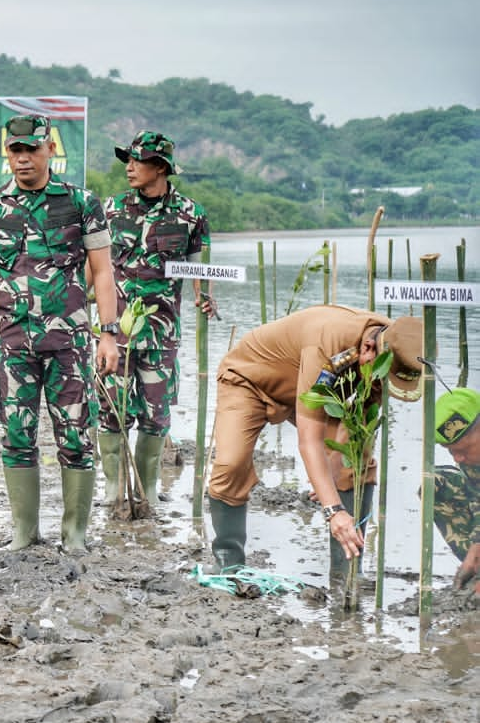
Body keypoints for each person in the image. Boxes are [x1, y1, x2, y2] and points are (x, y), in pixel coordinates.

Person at [0, 113, 119, 555]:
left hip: (70, 342)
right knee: (16, 433)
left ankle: (75, 535)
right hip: (12, 342)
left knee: (76, 433)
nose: (23, 159)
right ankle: (25, 533)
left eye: (31, 149)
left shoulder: (81, 203)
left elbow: (103, 272)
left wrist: (110, 333)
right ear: (7, 152)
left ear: (49, 150)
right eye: (15, 150)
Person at [205, 307, 422, 574]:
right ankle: (229, 560)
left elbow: (356, 426)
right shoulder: (328, 344)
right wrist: (334, 510)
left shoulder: (401, 346)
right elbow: (309, 441)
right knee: (231, 463)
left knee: (353, 461)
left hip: (311, 389)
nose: (382, 385)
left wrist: (330, 475)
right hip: (250, 380)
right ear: (368, 349)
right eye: (382, 380)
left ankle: (347, 573)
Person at [98, 131, 213, 509]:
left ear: (160, 168)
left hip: (161, 334)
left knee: (154, 416)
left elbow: (199, 266)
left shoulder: (191, 215)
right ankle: (114, 492)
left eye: (137, 160)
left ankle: (147, 492)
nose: (129, 167)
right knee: (112, 411)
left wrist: (204, 297)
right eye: (126, 160)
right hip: (116, 333)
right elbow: (94, 265)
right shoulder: (111, 209)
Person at [433, 388, 480, 596]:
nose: (457, 459)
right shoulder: (472, 462)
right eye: (451, 451)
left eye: (463, 449)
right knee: (435, 483)